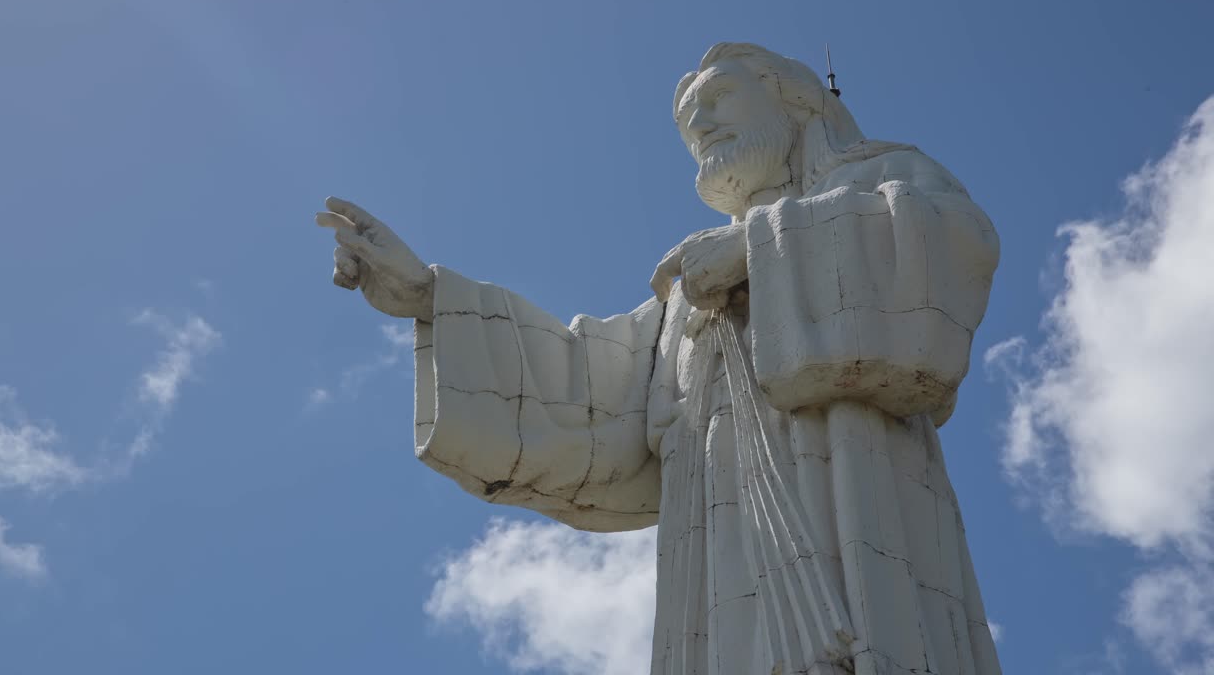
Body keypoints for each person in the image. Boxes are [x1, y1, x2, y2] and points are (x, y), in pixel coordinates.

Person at [317, 42, 1003, 675]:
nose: (699, 124)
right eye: (687, 120)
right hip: (719, 576)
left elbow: (950, 242)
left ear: (793, 100)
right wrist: (432, 297)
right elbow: (586, 385)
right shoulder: (689, 287)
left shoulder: (877, 179)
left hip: (856, 506)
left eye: (718, 98)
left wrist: (755, 252)